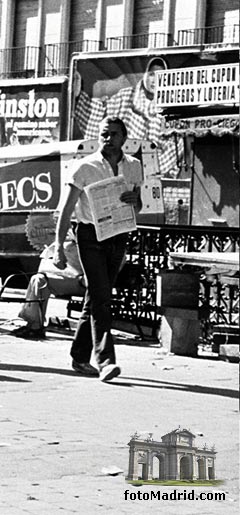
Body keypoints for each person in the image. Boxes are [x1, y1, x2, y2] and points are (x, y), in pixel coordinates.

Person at [53, 116, 142, 383]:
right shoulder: (84, 167)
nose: (108, 138)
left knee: (97, 295)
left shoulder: (134, 166)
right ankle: (106, 361)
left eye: (114, 134)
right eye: (104, 133)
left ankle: (79, 356)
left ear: (124, 138)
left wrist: (134, 201)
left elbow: (137, 206)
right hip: (90, 235)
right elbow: (66, 209)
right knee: (102, 297)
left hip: (118, 234)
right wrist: (58, 246)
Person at [73, 56, 178, 176]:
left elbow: (175, 149)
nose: (155, 80)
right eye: (152, 74)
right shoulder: (126, 96)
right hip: (122, 165)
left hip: (154, 171)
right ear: (145, 75)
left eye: (161, 75)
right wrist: (78, 96)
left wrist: (155, 170)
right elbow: (100, 114)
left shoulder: (171, 108)